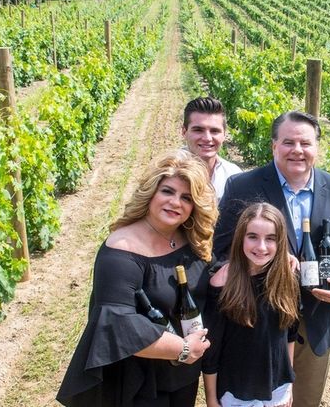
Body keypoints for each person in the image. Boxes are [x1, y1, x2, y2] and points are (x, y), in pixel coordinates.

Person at [213, 111, 330, 407]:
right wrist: (260, 262)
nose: (297, 150)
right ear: (273, 146)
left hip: (315, 323)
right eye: (288, 142)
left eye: (305, 143)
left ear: (317, 148)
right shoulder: (243, 187)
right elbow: (221, 252)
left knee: (305, 401)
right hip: (258, 325)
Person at [57, 150, 218, 407]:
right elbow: (117, 326)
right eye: (167, 191)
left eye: (186, 198)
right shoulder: (121, 250)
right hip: (139, 384)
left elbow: (213, 280)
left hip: (182, 377)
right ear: (151, 193)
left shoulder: (191, 241)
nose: (175, 202)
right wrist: (184, 350)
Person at [203, 203, 299, 407]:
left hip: (277, 390)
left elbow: (290, 333)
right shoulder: (223, 283)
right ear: (240, 238)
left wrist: (288, 383)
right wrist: (211, 398)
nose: (261, 247)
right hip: (237, 393)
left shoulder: (288, 279)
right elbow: (211, 351)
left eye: (270, 238)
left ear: (280, 242)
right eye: (253, 236)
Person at [181, 96, 242, 201]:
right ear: (184, 132)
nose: (207, 138)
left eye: (214, 131)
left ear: (224, 135)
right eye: (198, 130)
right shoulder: (166, 172)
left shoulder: (234, 175)